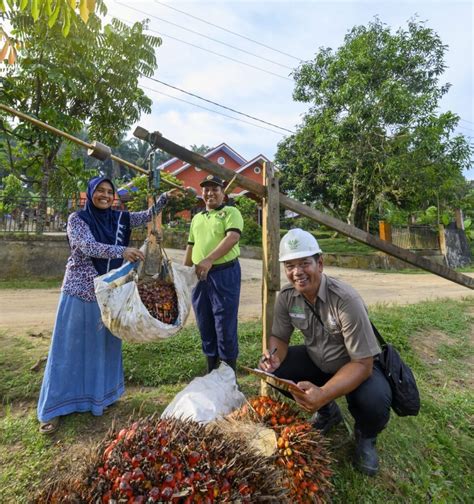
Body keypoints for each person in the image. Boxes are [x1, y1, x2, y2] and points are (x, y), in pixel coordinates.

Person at [37, 176, 183, 434]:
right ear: (91, 193)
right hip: (80, 291)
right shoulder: (77, 220)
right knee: (68, 348)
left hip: (109, 294)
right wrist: (121, 251)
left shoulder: (120, 218)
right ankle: (53, 408)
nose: (105, 195)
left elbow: (147, 215)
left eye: (109, 192)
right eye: (100, 191)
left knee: (103, 346)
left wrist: (165, 198)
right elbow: (86, 246)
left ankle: (100, 399)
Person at [259, 228, 392, 476]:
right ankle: (328, 412)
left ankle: (366, 436)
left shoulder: (345, 300)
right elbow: (280, 337)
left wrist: (323, 392)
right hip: (318, 359)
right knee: (279, 372)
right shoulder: (288, 297)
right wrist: (274, 356)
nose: (297, 272)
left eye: (304, 264)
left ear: (320, 263)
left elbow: (363, 364)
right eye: (289, 265)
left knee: (374, 401)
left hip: (353, 366)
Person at [184, 175, 244, 373]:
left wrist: (209, 259)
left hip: (224, 274)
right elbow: (190, 246)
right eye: (206, 189)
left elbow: (233, 237)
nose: (209, 193)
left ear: (222, 192)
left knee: (224, 323)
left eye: (214, 189)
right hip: (200, 276)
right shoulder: (197, 218)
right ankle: (211, 371)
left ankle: (228, 374)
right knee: (205, 322)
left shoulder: (230, 212)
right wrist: (184, 273)